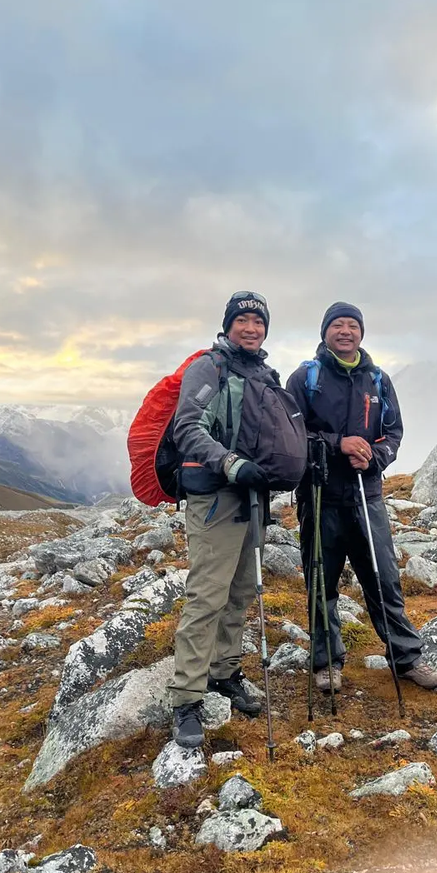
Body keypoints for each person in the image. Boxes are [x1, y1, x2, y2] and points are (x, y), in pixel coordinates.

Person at [286, 302, 437, 693]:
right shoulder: (305, 378)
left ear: (361, 333)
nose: (345, 331)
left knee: (384, 578)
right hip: (319, 496)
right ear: (325, 332)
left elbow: (393, 433)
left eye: (352, 325)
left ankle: (406, 658)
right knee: (321, 582)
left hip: (365, 495)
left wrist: (376, 456)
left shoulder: (378, 379)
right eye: (337, 325)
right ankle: (326, 662)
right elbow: (288, 437)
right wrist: (338, 444)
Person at [170, 291, 277, 749]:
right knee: (207, 596)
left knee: (239, 592)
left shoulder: (265, 374)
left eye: (258, 321)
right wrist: (232, 464)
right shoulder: (208, 368)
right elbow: (187, 429)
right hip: (216, 497)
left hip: (253, 497)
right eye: (243, 320)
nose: (251, 328)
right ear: (228, 325)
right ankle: (186, 699)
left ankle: (224, 673)